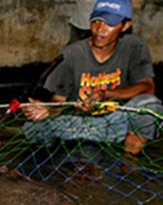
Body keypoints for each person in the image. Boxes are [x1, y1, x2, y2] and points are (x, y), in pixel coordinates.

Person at [22, 0, 162, 157]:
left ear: (125, 25)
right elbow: (59, 102)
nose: (100, 29)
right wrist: (47, 110)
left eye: (110, 24)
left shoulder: (134, 47)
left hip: (115, 123)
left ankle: (129, 160)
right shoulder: (71, 54)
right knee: (33, 129)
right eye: (96, 21)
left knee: (150, 105)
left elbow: (148, 86)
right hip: (77, 125)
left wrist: (106, 94)